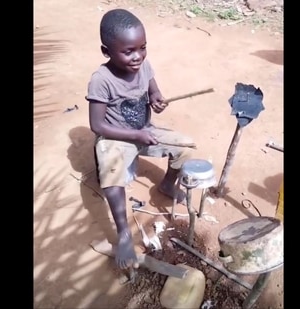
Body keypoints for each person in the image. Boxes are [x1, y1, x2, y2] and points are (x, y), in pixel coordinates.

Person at [85, 8, 194, 270]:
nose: (138, 56)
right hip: (117, 137)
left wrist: (157, 99)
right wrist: (135, 134)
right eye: (129, 51)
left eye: (142, 48)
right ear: (106, 51)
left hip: (144, 130)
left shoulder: (144, 65)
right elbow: (97, 125)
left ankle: (168, 185)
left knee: (186, 148)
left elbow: (153, 89)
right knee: (111, 174)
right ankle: (123, 233)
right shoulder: (101, 80)